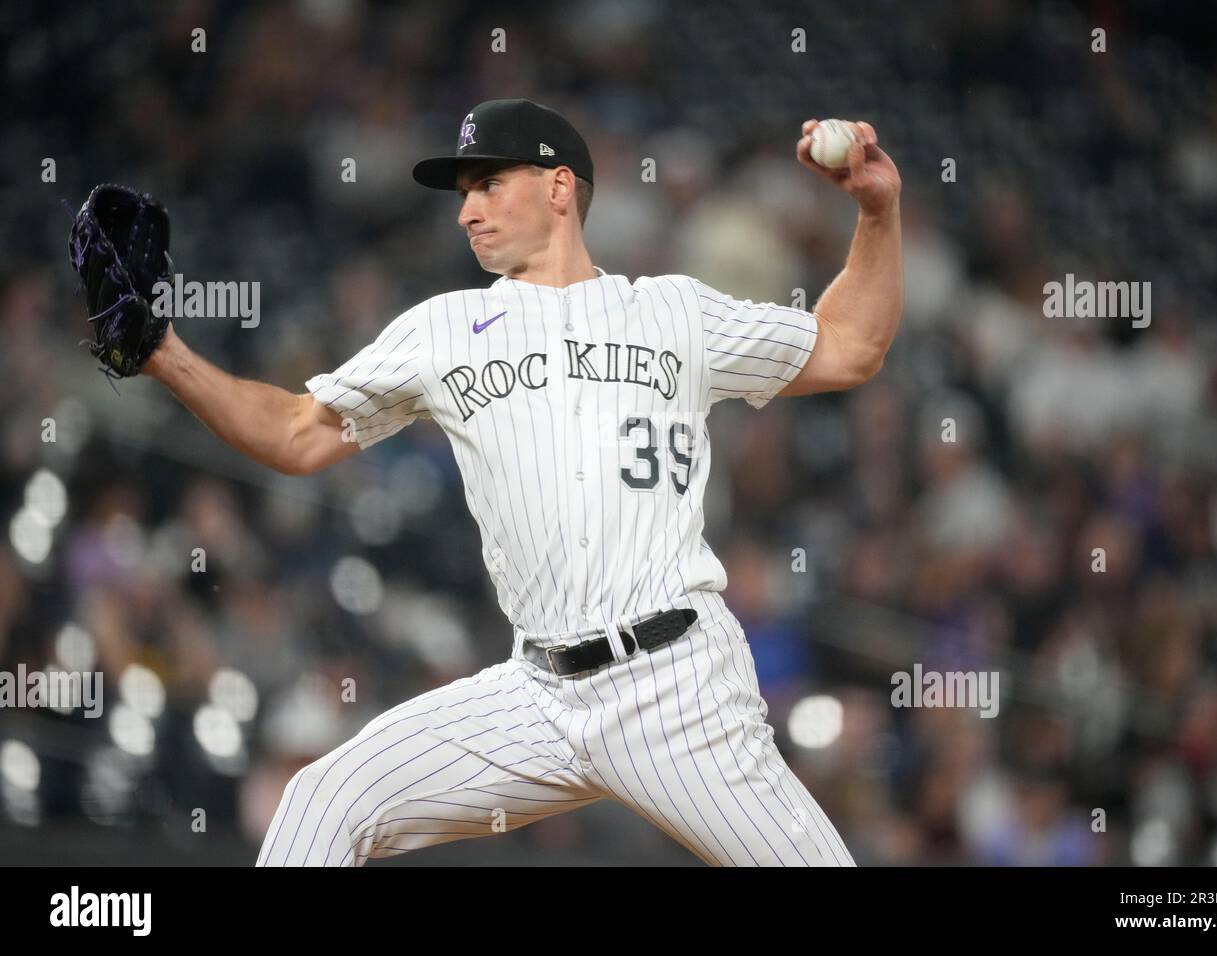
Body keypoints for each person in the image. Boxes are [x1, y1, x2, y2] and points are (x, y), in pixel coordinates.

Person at [142, 98, 903, 866]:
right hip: (536, 695)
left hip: (678, 686)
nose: (468, 211)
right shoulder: (441, 331)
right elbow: (294, 433)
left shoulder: (674, 312)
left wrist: (877, 213)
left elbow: (851, 345)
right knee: (323, 801)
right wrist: (160, 351)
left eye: (489, 184)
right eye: (463, 194)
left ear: (559, 187)